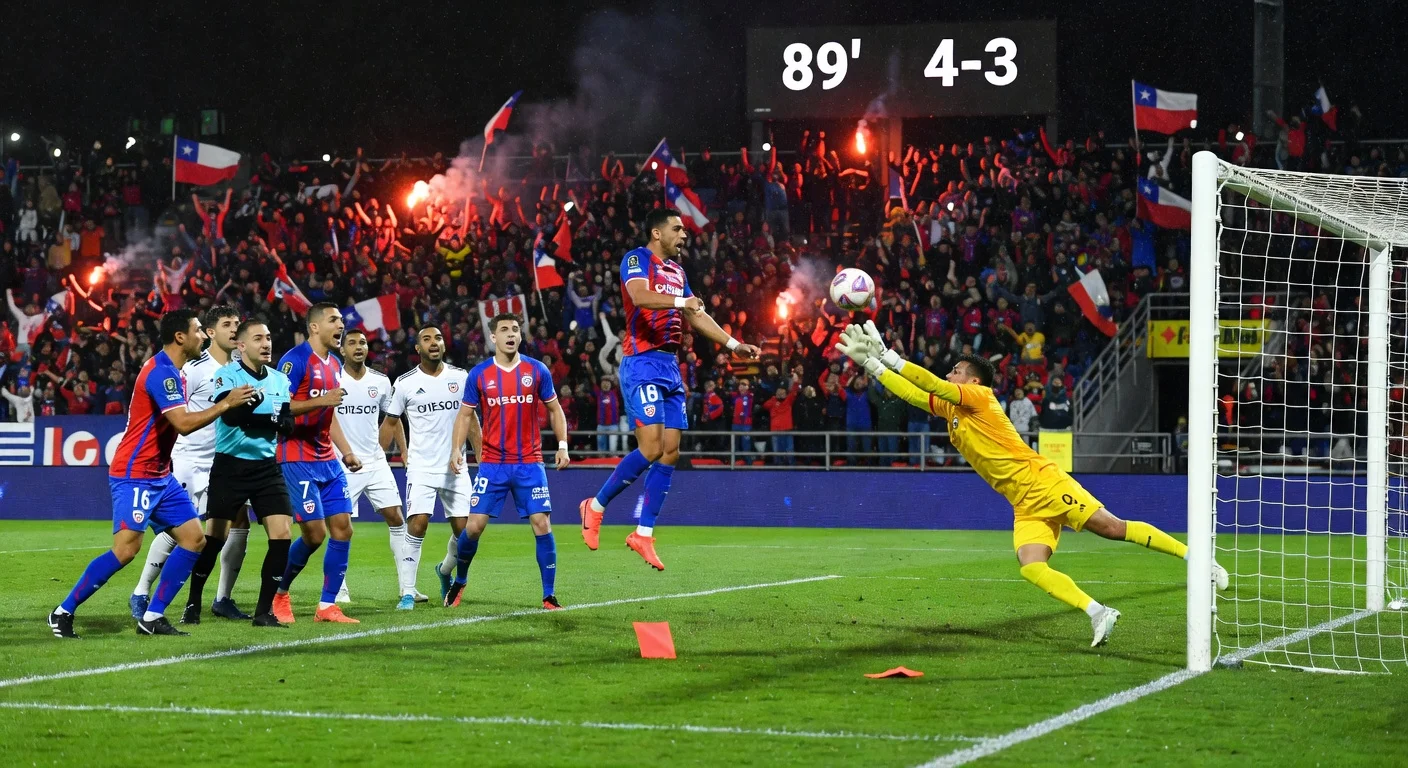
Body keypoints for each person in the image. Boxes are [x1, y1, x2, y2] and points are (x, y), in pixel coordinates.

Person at [839, 321, 1229, 647]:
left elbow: (933, 386)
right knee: (1030, 565)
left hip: (1042, 482)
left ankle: (1198, 561)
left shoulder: (980, 397)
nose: (948, 375)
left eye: (954, 370)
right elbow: (915, 393)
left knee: (1112, 528)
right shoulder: (954, 411)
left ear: (971, 379)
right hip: (1023, 502)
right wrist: (873, 366)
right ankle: (1098, 613)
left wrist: (889, 357)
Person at [47, 309, 256, 638]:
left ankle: (153, 615)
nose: (203, 336)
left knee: (194, 539)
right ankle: (63, 611)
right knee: (127, 550)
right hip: (135, 474)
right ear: (180, 337)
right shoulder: (163, 374)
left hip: (160, 474)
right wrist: (226, 404)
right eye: (198, 330)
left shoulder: (178, 372)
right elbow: (184, 425)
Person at [578, 208, 759, 570]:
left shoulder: (678, 272)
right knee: (650, 449)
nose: (684, 234)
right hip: (641, 362)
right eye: (677, 228)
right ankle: (594, 506)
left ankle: (643, 534)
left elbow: (696, 314)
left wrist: (733, 344)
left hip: (669, 366)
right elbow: (641, 296)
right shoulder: (637, 258)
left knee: (671, 452)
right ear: (656, 232)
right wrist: (681, 302)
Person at [130, 306, 254, 623]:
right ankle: (141, 592)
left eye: (237, 324)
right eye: (227, 324)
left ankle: (223, 598)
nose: (234, 329)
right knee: (178, 529)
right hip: (189, 458)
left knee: (240, 522)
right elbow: (174, 414)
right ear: (209, 332)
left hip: (224, 459)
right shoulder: (195, 369)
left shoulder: (243, 367)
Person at [447, 313, 571, 610]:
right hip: (492, 463)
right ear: (493, 337)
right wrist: (456, 450)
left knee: (541, 523)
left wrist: (563, 445)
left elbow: (555, 409)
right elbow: (465, 415)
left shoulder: (537, 370)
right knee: (474, 526)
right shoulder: (479, 374)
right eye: (504, 330)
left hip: (529, 462)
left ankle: (549, 595)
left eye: (515, 329)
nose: (511, 334)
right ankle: (460, 580)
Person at [201, 320, 298, 628]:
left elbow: (288, 424)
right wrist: (267, 418)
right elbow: (231, 418)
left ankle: (263, 612)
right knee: (214, 539)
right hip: (230, 464)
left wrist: (256, 415)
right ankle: (193, 602)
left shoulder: (279, 380)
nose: (266, 343)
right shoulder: (226, 375)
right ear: (241, 345)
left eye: (268, 337)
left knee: (282, 535)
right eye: (258, 338)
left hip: (266, 467)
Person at [272, 303, 359, 624]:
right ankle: (279, 594)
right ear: (314, 327)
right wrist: (323, 399)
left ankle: (327, 606)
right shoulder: (294, 361)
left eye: (341, 320)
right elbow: (280, 407)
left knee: (343, 529)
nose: (341, 325)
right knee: (314, 534)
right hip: (296, 457)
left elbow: (329, 415)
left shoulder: (335, 363)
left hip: (327, 458)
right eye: (334, 320)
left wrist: (346, 451)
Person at [379, 325, 471, 609]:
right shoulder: (405, 383)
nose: (434, 342)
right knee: (417, 523)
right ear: (417, 348)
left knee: (465, 535)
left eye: (438, 338)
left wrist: (483, 457)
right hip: (421, 467)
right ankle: (408, 591)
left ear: (444, 345)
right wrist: (378, 456)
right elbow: (391, 422)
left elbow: (472, 421)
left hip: (456, 467)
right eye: (427, 339)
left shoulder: (461, 377)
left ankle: (444, 571)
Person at [336, 328, 426, 606]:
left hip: (375, 462)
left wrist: (404, 450)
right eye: (351, 343)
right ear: (342, 350)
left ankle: (406, 588)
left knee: (397, 519)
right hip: (341, 465)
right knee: (341, 525)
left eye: (362, 342)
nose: (358, 347)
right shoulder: (333, 379)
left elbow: (393, 417)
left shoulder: (381, 381)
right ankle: (339, 588)